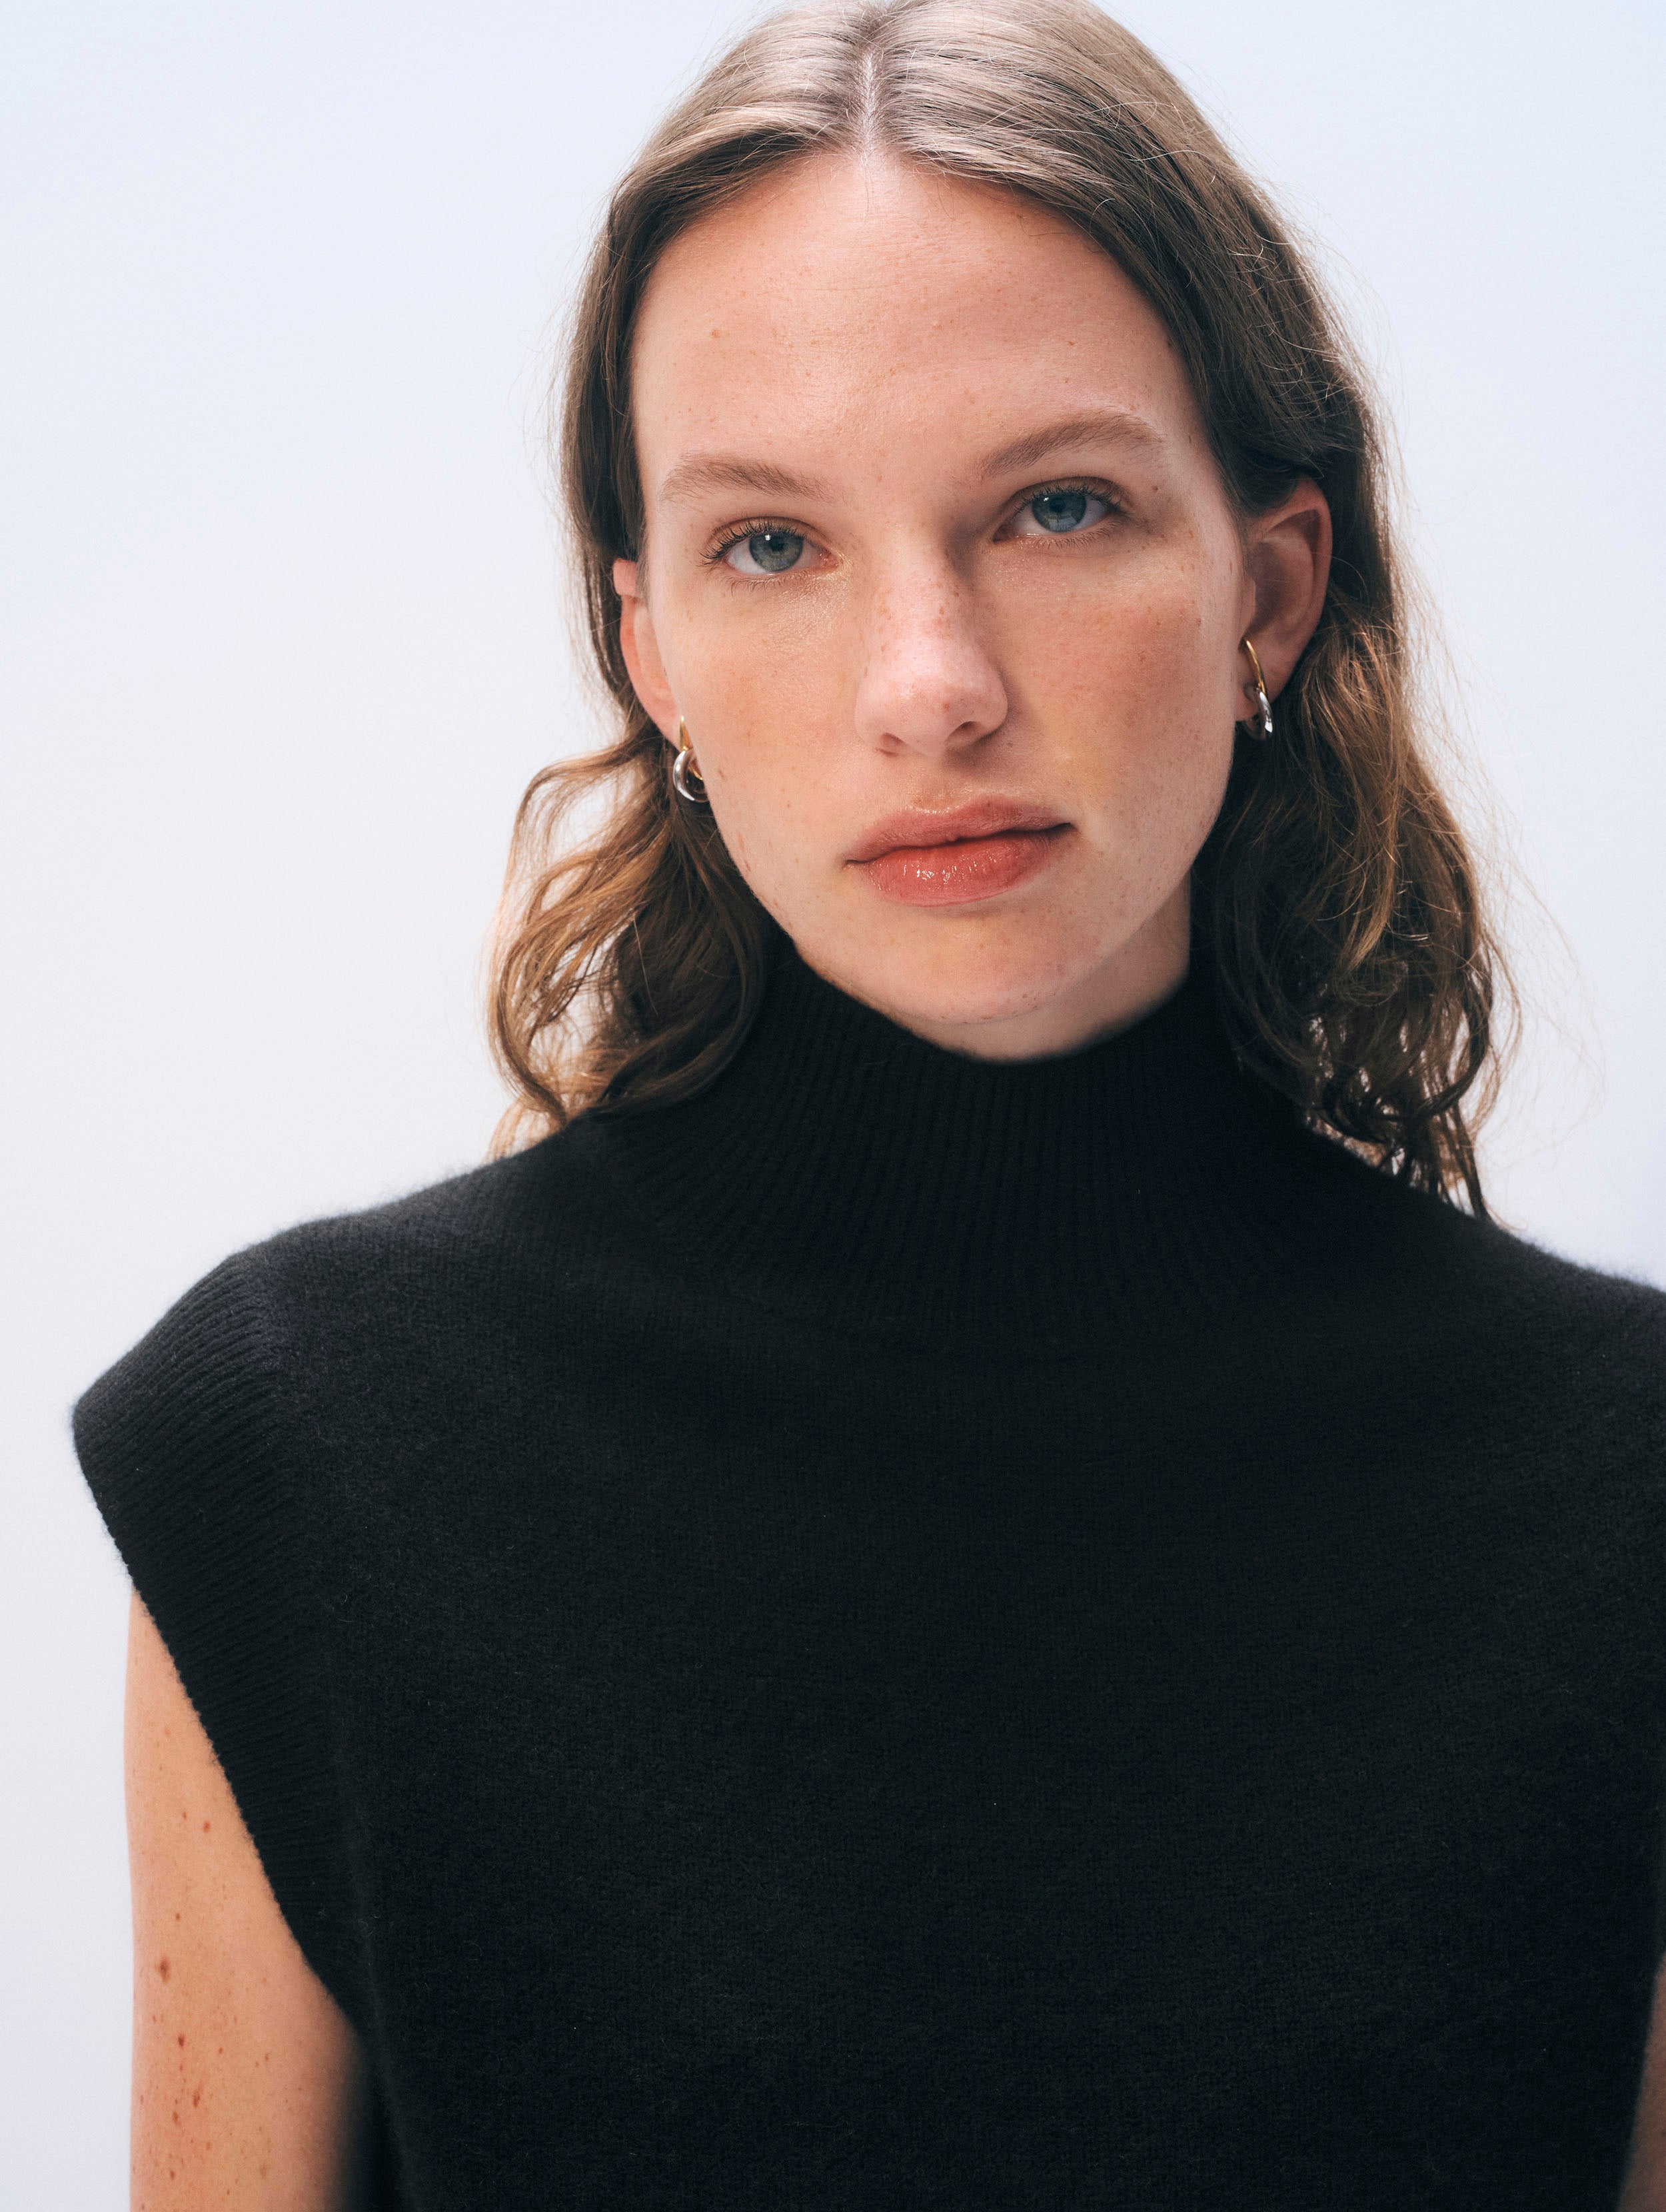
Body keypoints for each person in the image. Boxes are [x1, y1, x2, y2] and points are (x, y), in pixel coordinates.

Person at [76, 1, 1666, 2205]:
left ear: (1268, 587)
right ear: (648, 650)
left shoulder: (1622, 1496)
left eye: (1057, 507)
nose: (929, 688)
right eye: (769, 545)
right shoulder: (286, 1454)